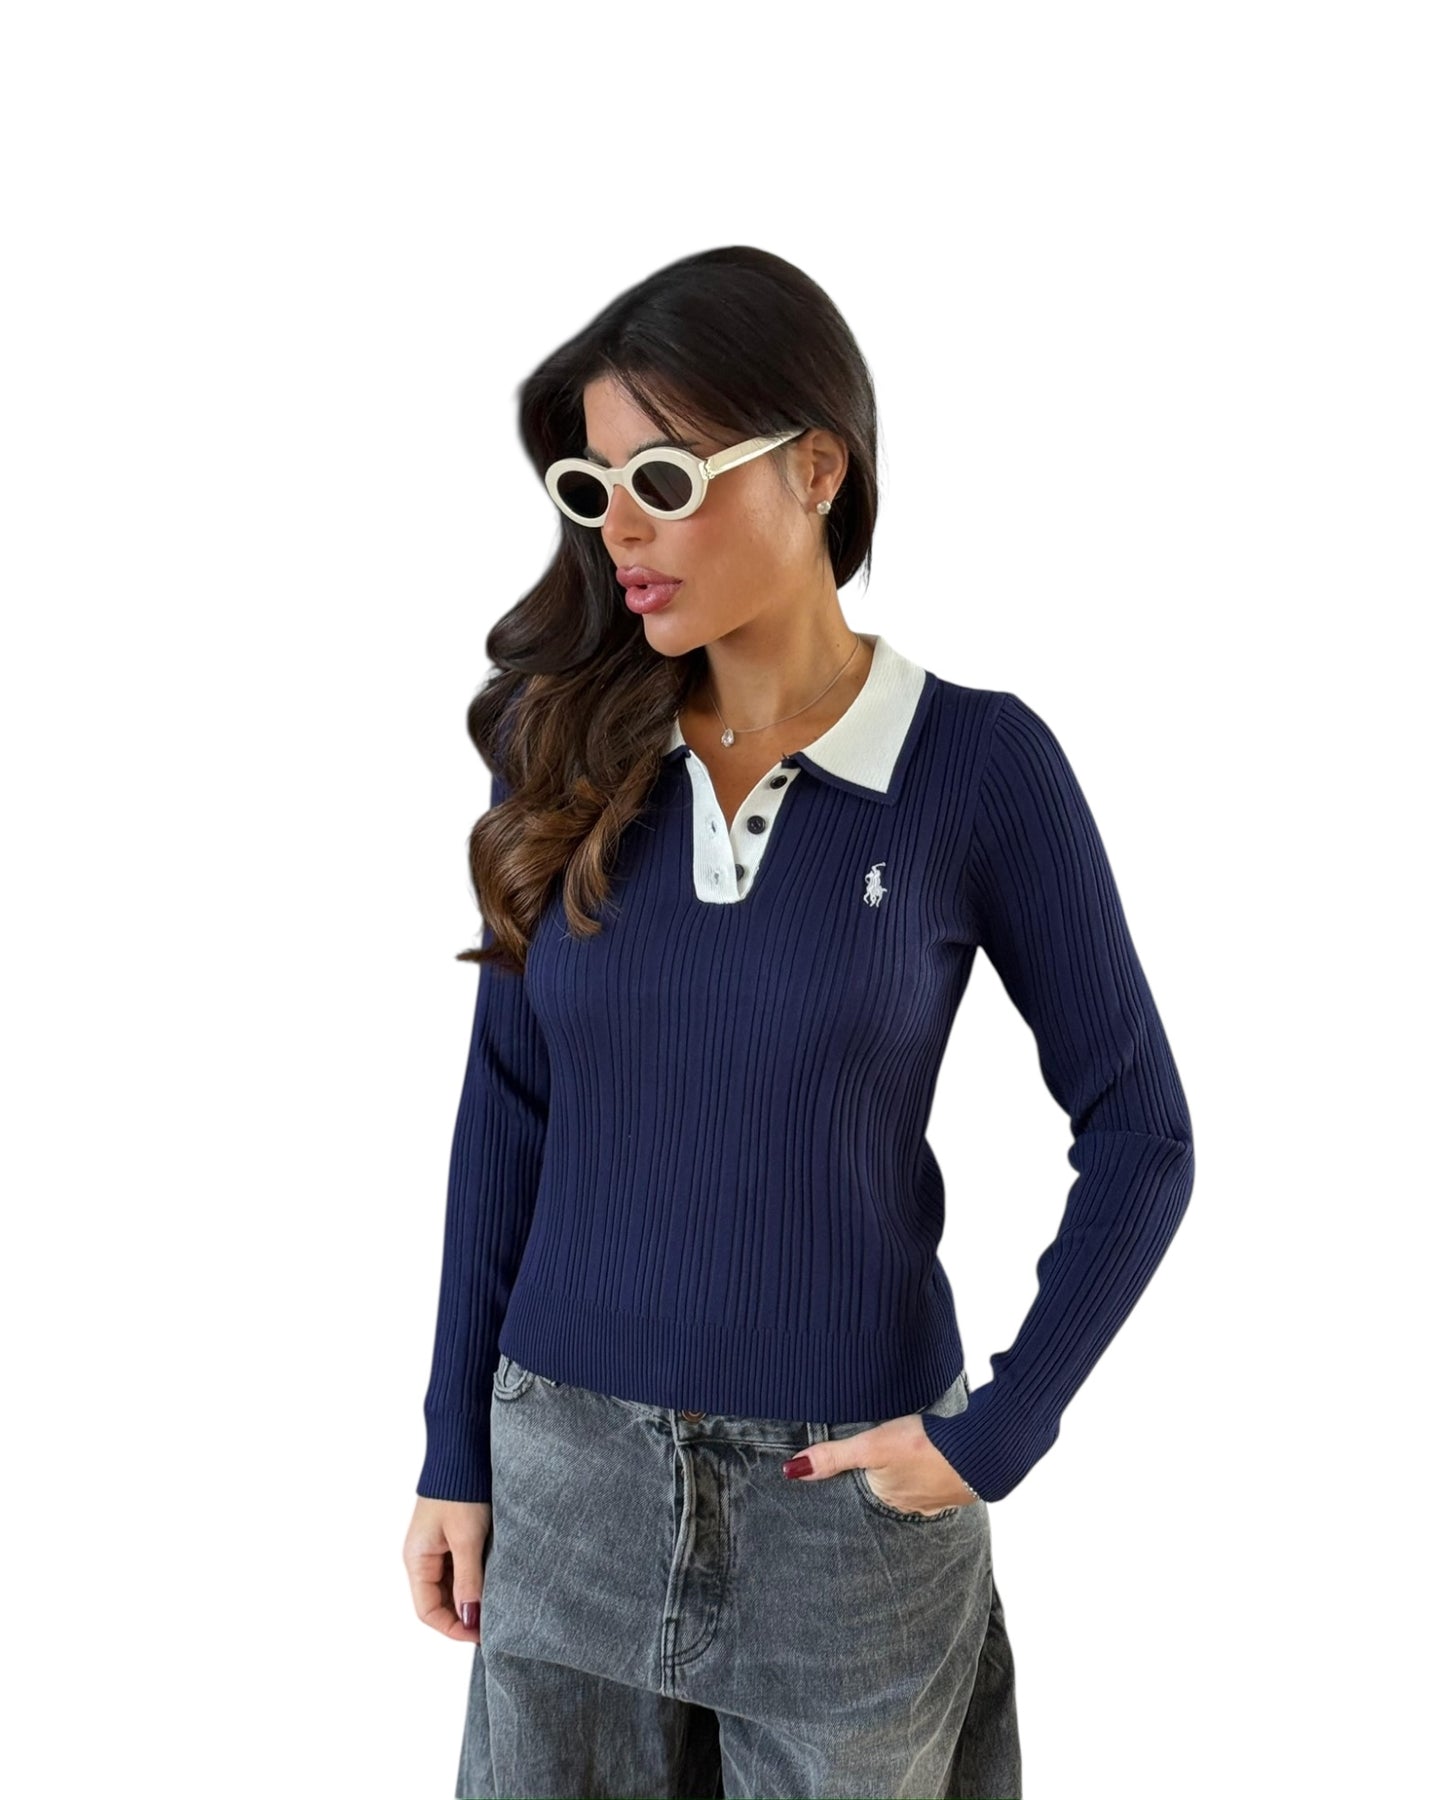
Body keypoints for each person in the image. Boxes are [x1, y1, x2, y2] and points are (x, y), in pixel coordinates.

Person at [402, 245, 1195, 1800]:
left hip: (850, 1518)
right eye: (594, 487)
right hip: (564, 1490)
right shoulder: (566, 755)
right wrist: (453, 1451)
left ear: (818, 466)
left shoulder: (977, 769)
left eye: (667, 478)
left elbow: (1139, 1129)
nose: (622, 529)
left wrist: (1000, 1428)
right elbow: (507, 1107)